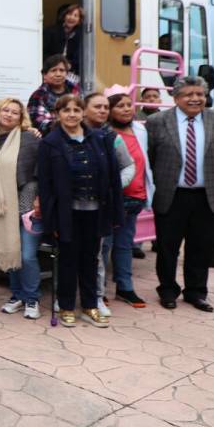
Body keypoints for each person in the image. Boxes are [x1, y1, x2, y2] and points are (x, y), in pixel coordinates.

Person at [38, 95, 123, 328]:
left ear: (83, 112)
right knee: (68, 260)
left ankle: (89, 306)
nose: (72, 114)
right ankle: (66, 306)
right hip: (67, 214)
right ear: (58, 114)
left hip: (95, 212)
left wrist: (116, 213)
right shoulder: (50, 143)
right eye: (66, 110)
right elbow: (45, 186)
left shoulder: (100, 139)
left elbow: (113, 178)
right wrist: (50, 221)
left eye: (77, 110)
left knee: (90, 260)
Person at [146, 75, 214, 312]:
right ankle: (168, 290)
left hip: (206, 194)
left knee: (202, 247)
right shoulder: (157, 121)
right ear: (176, 97)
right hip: (172, 194)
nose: (195, 99)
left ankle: (196, 292)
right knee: (168, 247)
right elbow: (150, 158)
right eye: (189, 94)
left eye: (200, 94)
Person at [0, 99, 42, 320]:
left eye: (15, 112)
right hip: (3, 206)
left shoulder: (29, 138)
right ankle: (17, 296)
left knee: (26, 255)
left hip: (27, 205)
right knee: (9, 249)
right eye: (5, 110)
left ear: (21, 117)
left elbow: (39, 172)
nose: (9, 114)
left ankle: (32, 298)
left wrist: (33, 202)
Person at [83, 92, 135, 318]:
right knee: (68, 253)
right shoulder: (70, 134)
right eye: (97, 107)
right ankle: (65, 297)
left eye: (105, 107)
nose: (103, 111)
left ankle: (97, 295)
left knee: (99, 253)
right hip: (73, 204)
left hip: (101, 205)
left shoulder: (112, 137)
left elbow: (128, 167)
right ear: (84, 109)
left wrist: (114, 186)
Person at [106, 87, 154, 289]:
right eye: (120, 106)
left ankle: (125, 286)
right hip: (111, 198)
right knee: (104, 244)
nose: (126, 109)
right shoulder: (105, 133)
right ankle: (99, 290)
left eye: (129, 105)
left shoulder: (140, 130)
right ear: (109, 110)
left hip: (135, 196)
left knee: (125, 244)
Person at [27, 54, 81, 135]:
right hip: (51, 138)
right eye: (53, 70)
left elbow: (84, 116)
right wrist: (67, 125)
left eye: (62, 70)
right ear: (45, 75)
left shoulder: (77, 92)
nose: (58, 74)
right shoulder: (38, 95)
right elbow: (40, 122)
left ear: (67, 74)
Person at [42, 3, 85, 82]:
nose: (72, 17)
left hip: (70, 74)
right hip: (50, 70)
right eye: (69, 14)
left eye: (76, 16)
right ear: (64, 16)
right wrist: (56, 63)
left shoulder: (81, 36)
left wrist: (70, 65)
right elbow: (43, 53)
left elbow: (80, 59)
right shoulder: (50, 31)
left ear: (79, 20)